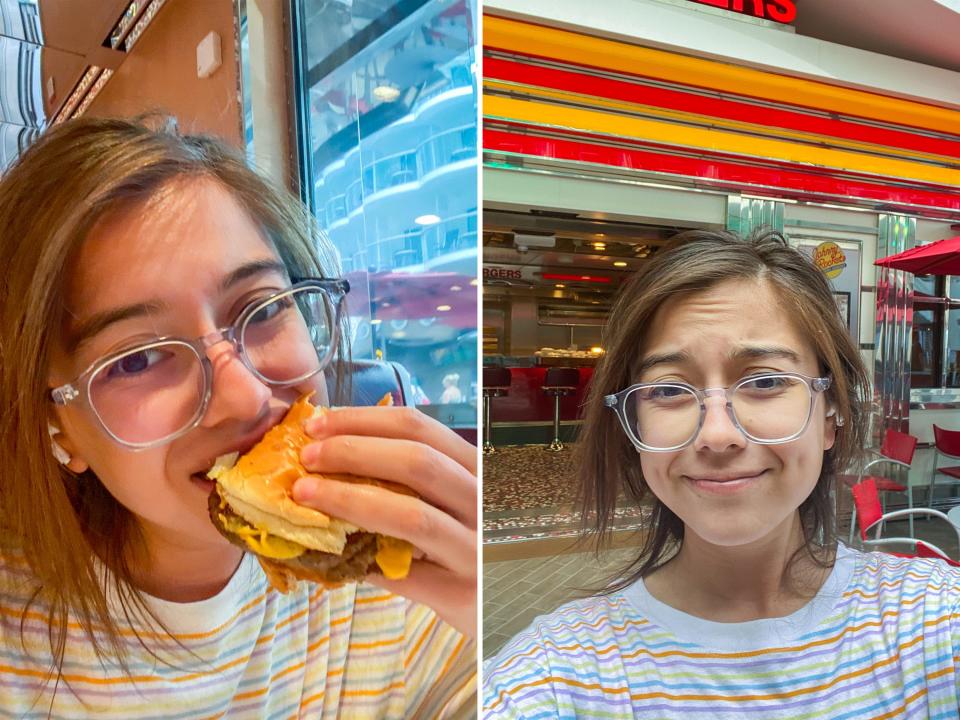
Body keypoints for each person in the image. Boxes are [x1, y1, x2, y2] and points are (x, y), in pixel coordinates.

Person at [0, 117, 477, 718]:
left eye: (263, 307)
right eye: (139, 358)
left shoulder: (401, 574)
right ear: (56, 427)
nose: (245, 397)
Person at [483, 229, 960, 718]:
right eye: (668, 391)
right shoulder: (558, 676)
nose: (716, 434)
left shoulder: (933, 622)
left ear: (831, 413)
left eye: (767, 381)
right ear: (632, 425)